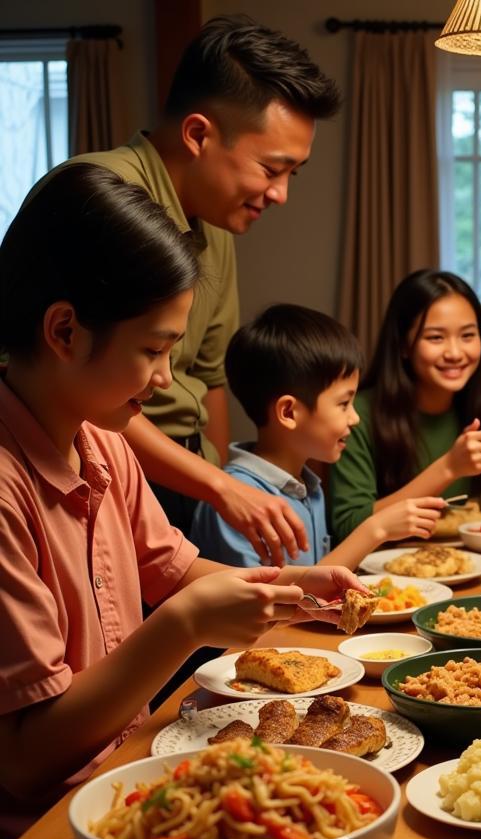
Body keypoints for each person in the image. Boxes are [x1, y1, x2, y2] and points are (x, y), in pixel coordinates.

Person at [0, 165, 364, 835]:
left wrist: (293, 585)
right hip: (46, 830)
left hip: (131, 776)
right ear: (63, 332)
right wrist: (181, 625)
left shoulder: (102, 440)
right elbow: (23, 763)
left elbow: (172, 570)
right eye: (152, 350)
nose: (168, 379)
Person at [43, 15, 341, 565]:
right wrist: (220, 487)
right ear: (199, 134)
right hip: (102, 465)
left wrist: (224, 482)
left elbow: (207, 380)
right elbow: (70, 387)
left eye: (292, 174)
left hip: (185, 475)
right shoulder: (98, 196)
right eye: (271, 168)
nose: (280, 194)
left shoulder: (214, 221)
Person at [191, 304, 446, 567]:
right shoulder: (235, 503)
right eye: (344, 404)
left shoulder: (308, 488)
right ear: (289, 412)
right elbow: (265, 603)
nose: (355, 417)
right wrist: (376, 530)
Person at [329, 270, 481, 542]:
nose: (455, 353)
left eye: (468, 336)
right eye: (436, 338)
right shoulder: (355, 416)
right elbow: (349, 524)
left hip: (464, 568)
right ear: (403, 345)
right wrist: (449, 467)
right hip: (380, 576)